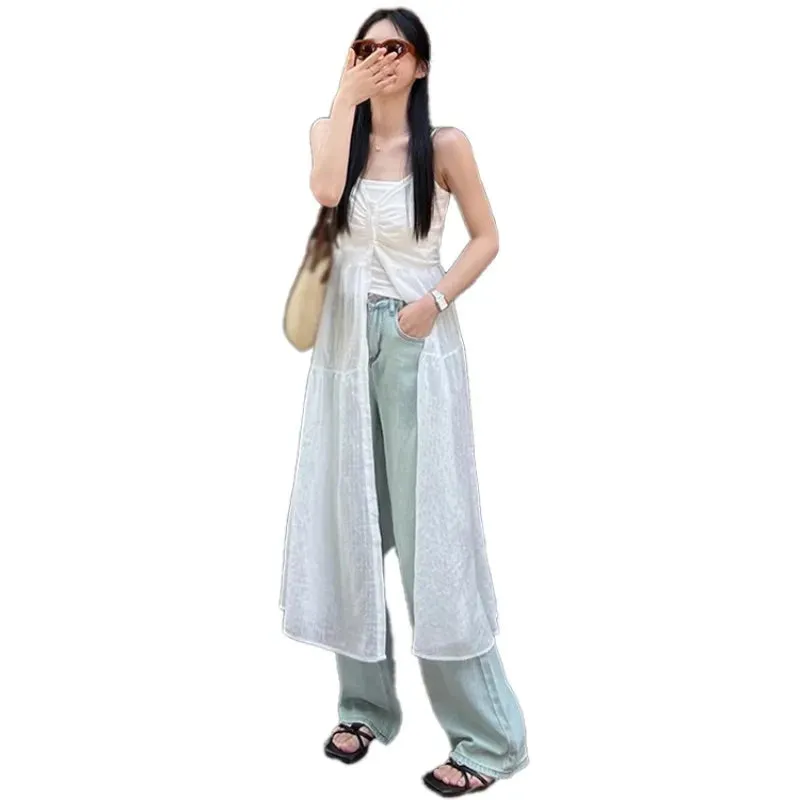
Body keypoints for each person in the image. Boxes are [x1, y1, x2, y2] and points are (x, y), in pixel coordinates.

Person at [280, 8, 528, 795]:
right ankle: (364, 708)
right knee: (350, 524)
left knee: (432, 539)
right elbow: (326, 192)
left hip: (418, 345)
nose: (382, 58)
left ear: (420, 65)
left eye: (397, 48)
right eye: (368, 46)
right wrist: (344, 94)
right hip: (344, 347)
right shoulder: (330, 131)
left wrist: (436, 301)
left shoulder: (445, 146)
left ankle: (489, 740)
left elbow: (487, 237)